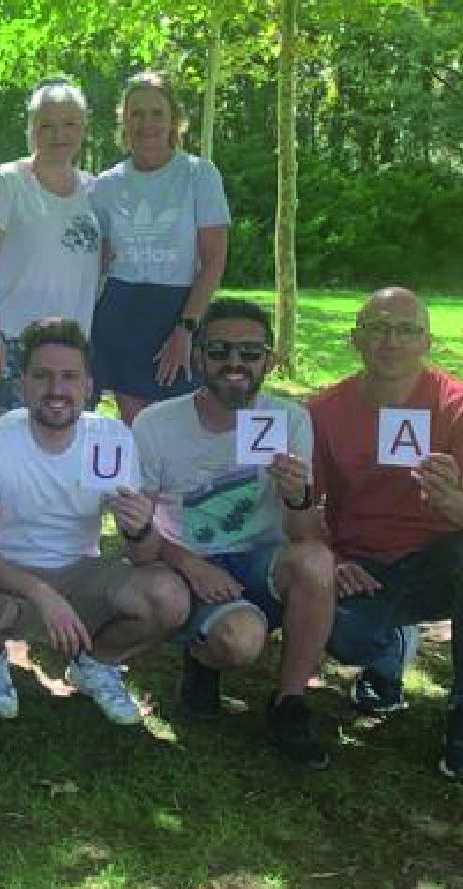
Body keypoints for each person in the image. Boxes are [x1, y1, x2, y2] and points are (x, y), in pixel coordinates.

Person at [120, 299, 335, 768]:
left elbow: (303, 535)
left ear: (269, 361)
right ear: (198, 357)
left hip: (261, 560)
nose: (234, 363)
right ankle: (204, 655)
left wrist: (298, 496)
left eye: (250, 352)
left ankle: (290, 702)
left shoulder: (290, 420)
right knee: (240, 642)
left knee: (318, 561)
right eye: (219, 350)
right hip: (184, 562)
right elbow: (138, 542)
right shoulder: (156, 424)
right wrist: (190, 564)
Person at [310, 287, 463, 783]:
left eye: (406, 330)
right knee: (346, 641)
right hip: (362, 565)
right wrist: (331, 560)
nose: (391, 342)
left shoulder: (462, 406)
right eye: (378, 328)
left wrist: (447, 496)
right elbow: (306, 507)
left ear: (427, 342)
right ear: (355, 338)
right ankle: (387, 653)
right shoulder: (324, 410)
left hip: (438, 560)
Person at [0, 319, 189, 726]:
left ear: (88, 386)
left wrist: (139, 528)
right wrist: (41, 594)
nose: (56, 389)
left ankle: (96, 663)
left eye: (69, 377)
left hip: (80, 571)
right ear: (22, 384)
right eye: (42, 376)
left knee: (168, 598)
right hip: (3, 576)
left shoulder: (112, 439)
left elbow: (143, 556)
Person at [89, 72, 230, 423]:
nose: (147, 123)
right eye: (136, 114)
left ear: (174, 120)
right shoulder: (105, 185)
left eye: (157, 113)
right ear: (124, 120)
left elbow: (214, 261)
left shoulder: (199, 175)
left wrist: (186, 328)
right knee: (137, 429)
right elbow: (97, 261)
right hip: (121, 309)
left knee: (183, 426)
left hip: (179, 310)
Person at [0, 79, 103, 416]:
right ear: (30, 129)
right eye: (46, 125)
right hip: (12, 339)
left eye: (69, 124)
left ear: (83, 129)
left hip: (71, 345)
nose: (58, 134)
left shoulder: (94, 190)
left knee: (64, 437)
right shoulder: (5, 182)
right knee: (9, 435)